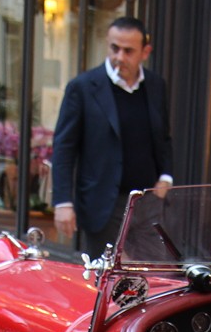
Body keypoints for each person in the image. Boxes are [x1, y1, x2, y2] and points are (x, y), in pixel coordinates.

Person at [52, 17, 175, 253]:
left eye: (128, 51)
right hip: (103, 204)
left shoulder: (156, 85)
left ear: (145, 52)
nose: (119, 57)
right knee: (103, 278)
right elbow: (64, 148)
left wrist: (166, 177)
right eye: (114, 48)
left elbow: (163, 138)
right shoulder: (83, 87)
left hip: (147, 201)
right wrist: (62, 203)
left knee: (157, 276)